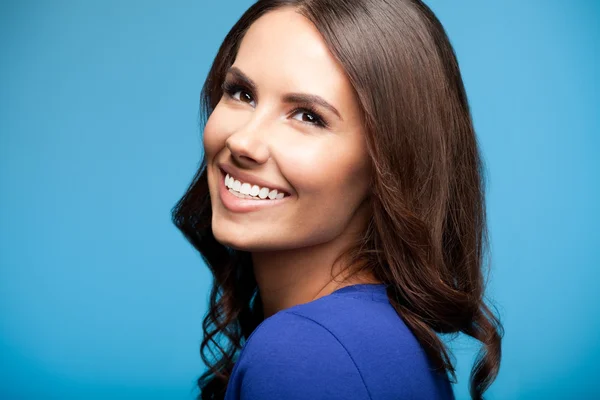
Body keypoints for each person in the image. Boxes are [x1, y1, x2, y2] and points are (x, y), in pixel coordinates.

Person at [172, 0, 504, 399]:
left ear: (389, 165)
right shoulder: (380, 340)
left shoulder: (305, 352)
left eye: (308, 116)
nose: (242, 141)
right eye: (242, 93)